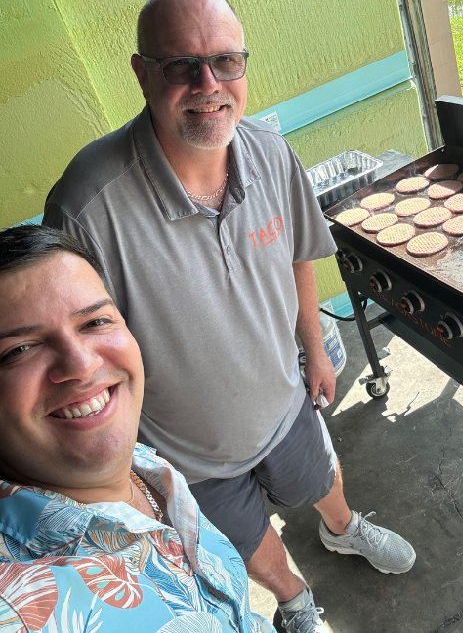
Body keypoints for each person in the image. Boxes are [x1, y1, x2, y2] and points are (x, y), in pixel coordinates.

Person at [43, 0, 415, 632]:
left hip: (283, 400)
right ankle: (295, 599)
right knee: (244, 539)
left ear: (244, 65)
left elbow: (301, 253)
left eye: (226, 61)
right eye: (181, 65)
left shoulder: (270, 155)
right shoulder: (87, 205)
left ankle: (344, 528)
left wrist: (313, 350)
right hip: (183, 452)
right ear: (142, 73)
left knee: (320, 480)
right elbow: (70, 351)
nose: (208, 83)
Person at [0, 224, 272, 633]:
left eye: (94, 322)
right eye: (18, 350)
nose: (82, 365)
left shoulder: (145, 467)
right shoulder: (22, 607)